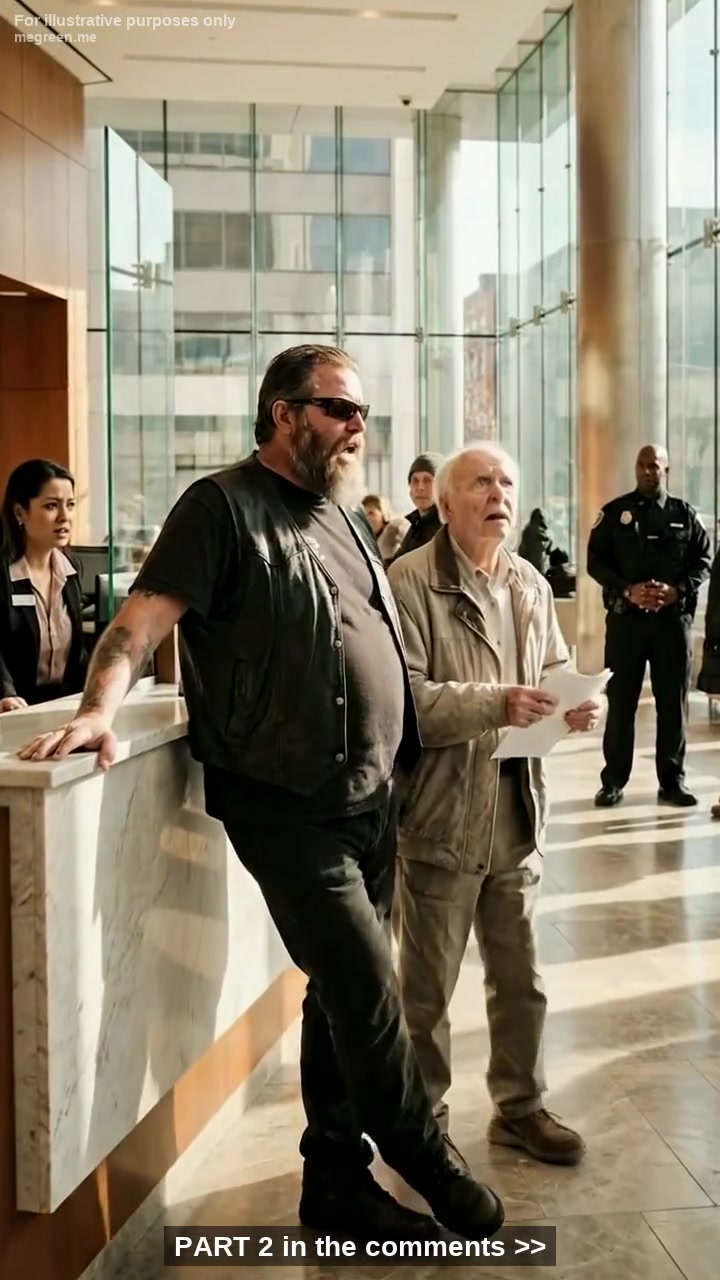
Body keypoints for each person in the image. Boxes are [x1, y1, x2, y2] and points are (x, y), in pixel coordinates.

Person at [17, 345, 504, 1241]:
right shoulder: (220, 507)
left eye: (362, 414)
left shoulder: (341, 515)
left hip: (372, 798)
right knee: (367, 991)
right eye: (339, 409)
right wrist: (94, 711)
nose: (357, 427)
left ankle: (334, 1184)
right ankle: (424, 1152)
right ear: (284, 413)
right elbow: (138, 624)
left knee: (333, 994)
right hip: (288, 804)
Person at [388, 443, 599, 1167]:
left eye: (507, 481)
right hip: (442, 812)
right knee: (425, 991)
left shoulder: (530, 582)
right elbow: (407, 702)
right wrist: (496, 703)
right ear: (446, 504)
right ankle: (423, 1126)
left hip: (517, 805)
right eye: (481, 482)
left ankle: (521, 1107)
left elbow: (553, 667)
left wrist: (574, 703)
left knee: (521, 978)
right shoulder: (409, 582)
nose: (498, 493)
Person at [588, 443, 711, 809]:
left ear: (666, 470)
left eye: (654, 466)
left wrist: (677, 590)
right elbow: (595, 561)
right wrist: (627, 590)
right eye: (642, 465)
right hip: (626, 624)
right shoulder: (615, 513)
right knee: (621, 703)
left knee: (672, 705)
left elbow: (703, 560)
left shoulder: (684, 515)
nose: (647, 471)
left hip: (671, 625)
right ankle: (613, 781)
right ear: (635, 468)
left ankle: (672, 782)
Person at [0, 459, 87, 712]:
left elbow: (77, 652)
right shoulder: (3, 573)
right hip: (14, 706)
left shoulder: (70, 568)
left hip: (63, 703)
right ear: (20, 513)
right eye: (51, 506)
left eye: (70, 505)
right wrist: (4, 692)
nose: (64, 517)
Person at [391, 453, 444, 562]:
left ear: (441, 486)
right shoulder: (417, 524)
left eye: (427, 480)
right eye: (415, 481)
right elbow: (398, 561)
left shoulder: (446, 527)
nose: (420, 487)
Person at [361, 493, 410, 564]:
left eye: (371, 513)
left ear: (383, 513)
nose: (367, 518)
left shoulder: (392, 528)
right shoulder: (369, 537)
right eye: (364, 515)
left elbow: (408, 532)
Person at [518, 507, 553, 575]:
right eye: (540, 517)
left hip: (536, 561)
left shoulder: (528, 530)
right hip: (534, 560)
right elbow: (547, 540)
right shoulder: (533, 530)